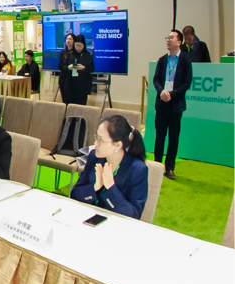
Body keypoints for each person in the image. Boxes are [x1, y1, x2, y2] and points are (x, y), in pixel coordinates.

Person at [72, 115, 150, 219]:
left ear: (118, 145)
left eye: (100, 140)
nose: (95, 143)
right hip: (88, 218)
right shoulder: (94, 156)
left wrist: (111, 187)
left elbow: (134, 215)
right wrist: (95, 187)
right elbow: (74, 194)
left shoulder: (138, 170)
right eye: (96, 137)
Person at [152, 29, 192, 180]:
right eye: (167, 38)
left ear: (179, 42)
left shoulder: (185, 61)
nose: (168, 40)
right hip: (162, 103)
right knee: (159, 136)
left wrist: (171, 94)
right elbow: (156, 79)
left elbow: (187, 82)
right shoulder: (162, 60)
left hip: (175, 105)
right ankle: (157, 165)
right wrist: (162, 91)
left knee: (173, 138)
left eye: (171, 38)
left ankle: (169, 168)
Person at [61, 34, 94, 105]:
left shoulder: (87, 55)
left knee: (80, 105)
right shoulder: (70, 54)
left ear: (84, 45)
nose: (78, 48)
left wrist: (84, 68)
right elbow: (62, 66)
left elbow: (92, 68)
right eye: (76, 45)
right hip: (70, 84)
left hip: (82, 85)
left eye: (80, 46)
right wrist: (69, 67)